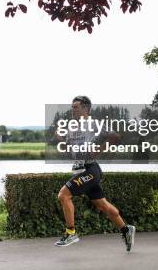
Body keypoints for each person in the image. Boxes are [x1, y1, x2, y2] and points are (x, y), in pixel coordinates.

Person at [54, 95, 136, 252]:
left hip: (91, 169)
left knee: (63, 195)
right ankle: (126, 230)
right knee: (102, 205)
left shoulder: (93, 124)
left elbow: (115, 137)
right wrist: (61, 141)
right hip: (80, 170)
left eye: (76, 107)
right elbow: (68, 150)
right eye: (72, 107)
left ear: (86, 109)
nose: (72, 110)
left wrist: (98, 150)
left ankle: (71, 233)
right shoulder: (71, 127)